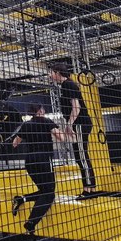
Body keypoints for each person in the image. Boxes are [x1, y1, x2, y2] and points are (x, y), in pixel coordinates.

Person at [11, 103, 66, 234]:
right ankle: (31, 222)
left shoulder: (26, 124)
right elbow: (61, 137)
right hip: (44, 159)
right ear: (40, 110)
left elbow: (15, 143)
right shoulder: (46, 121)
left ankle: (21, 199)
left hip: (30, 161)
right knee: (49, 193)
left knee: (44, 190)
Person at [49, 63, 98, 198]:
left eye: (51, 72)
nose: (49, 75)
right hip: (79, 124)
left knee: (81, 156)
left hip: (80, 124)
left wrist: (69, 124)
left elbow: (76, 107)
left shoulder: (68, 85)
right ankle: (90, 188)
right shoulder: (65, 86)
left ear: (58, 73)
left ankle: (89, 189)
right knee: (80, 156)